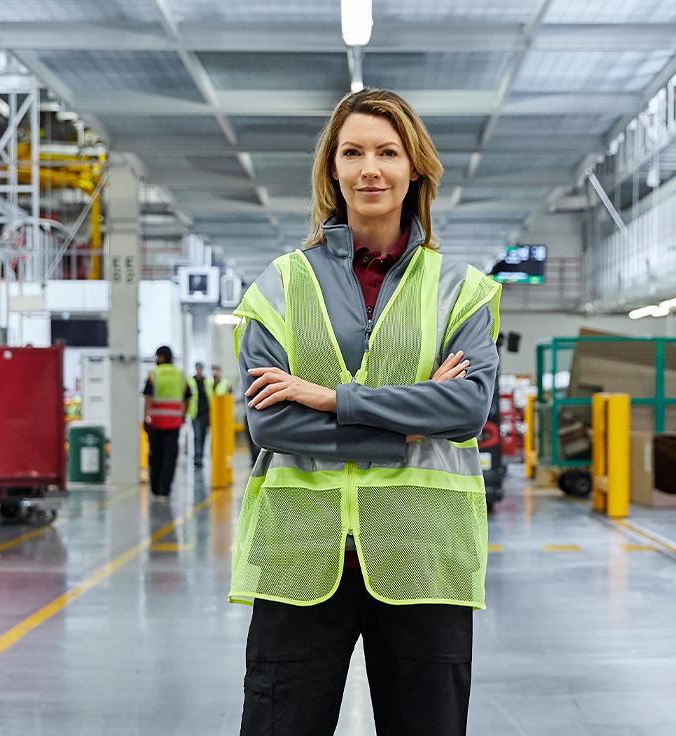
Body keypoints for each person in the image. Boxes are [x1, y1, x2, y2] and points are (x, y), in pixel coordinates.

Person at [230, 88, 500, 736]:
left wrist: (331, 399)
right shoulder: (282, 283)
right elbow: (270, 423)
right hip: (301, 551)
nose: (369, 168)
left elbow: (465, 407)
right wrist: (409, 424)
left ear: (416, 169)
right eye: (352, 152)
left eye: (387, 152)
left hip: (421, 551)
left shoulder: (459, 287)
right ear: (333, 169)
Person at [143, 346, 194, 498]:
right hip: (174, 423)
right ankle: (165, 490)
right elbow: (188, 397)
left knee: (156, 455)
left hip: (156, 422)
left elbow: (148, 398)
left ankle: (155, 488)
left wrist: (145, 417)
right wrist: (183, 415)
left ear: (161, 357)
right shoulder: (180, 375)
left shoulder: (154, 374)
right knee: (170, 457)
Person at [188, 363, 233, 467]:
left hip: (207, 413)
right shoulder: (191, 381)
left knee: (203, 436)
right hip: (195, 413)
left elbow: (213, 393)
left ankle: (202, 457)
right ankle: (197, 458)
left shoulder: (207, 382)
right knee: (197, 436)